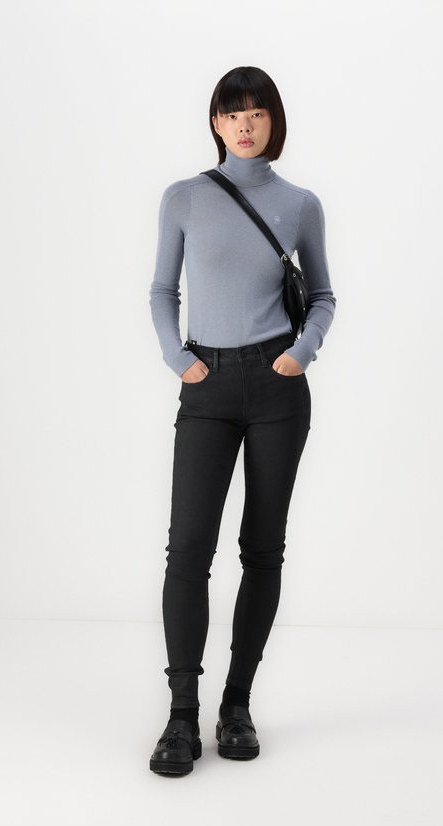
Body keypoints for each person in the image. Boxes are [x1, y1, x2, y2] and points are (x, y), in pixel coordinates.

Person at [148, 66, 336, 775]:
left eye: (257, 113)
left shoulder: (300, 204)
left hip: (278, 387)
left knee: (262, 549)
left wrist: (301, 352)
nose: (245, 125)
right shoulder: (184, 198)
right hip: (208, 383)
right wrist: (178, 358)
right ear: (216, 123)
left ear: (273, 121)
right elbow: (162, 290)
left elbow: (322, 296)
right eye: (233, 114)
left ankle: (236, 705)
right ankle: (181, 715)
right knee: (188, 550)